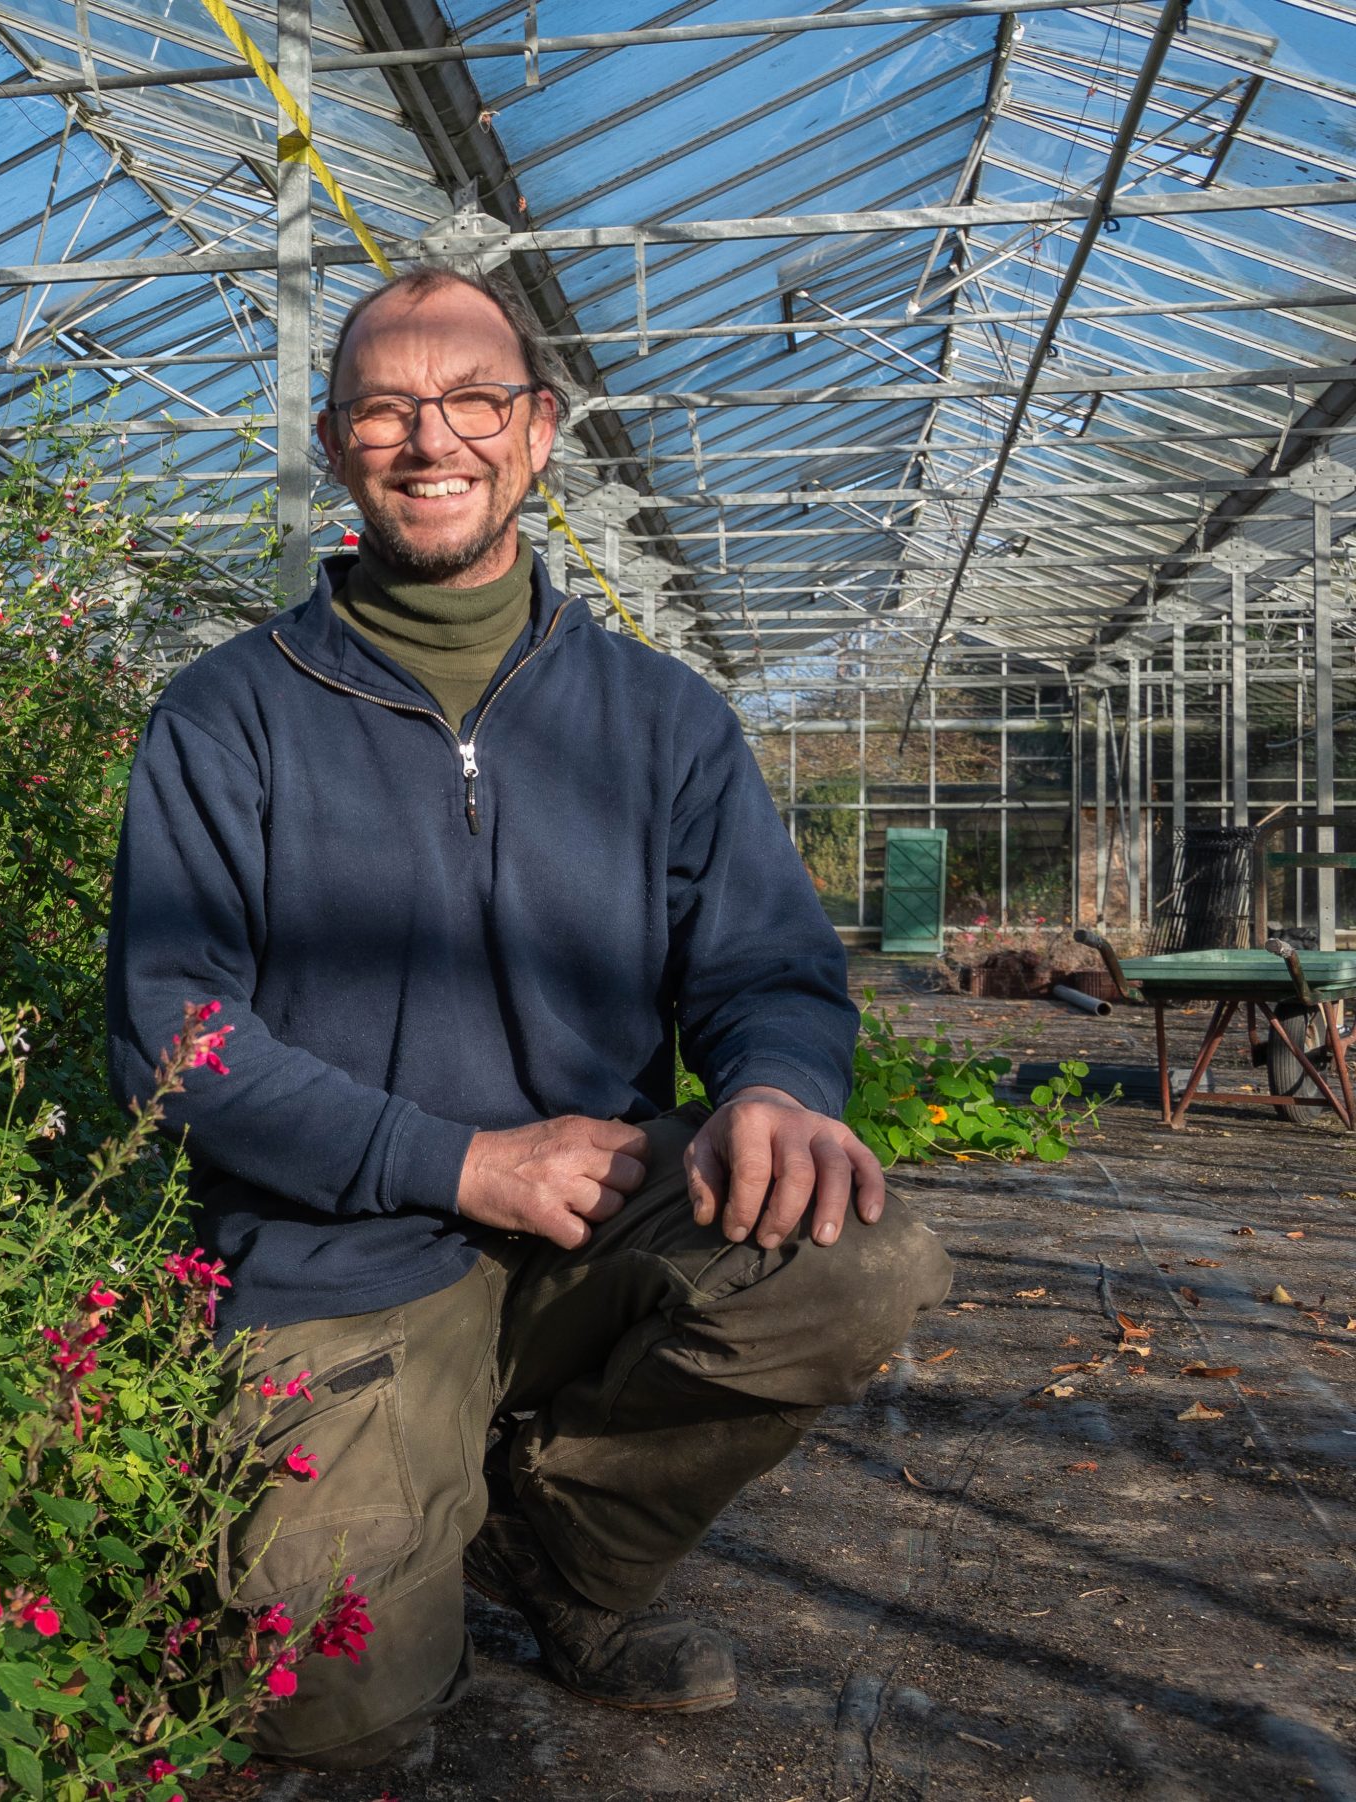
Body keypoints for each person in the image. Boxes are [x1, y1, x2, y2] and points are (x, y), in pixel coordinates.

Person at [104, 266, 953, 1771]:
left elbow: (764, 965)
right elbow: (179, 1038)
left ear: (538, 428)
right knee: (332, 1706)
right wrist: (458, 1162)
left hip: (599, 1225)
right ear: (333, 442)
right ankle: (425, 1501)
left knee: (854, 1253)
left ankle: (564, 1558)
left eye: (472, 400)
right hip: (344, 1259)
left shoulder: (661, 720)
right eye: (385, 406)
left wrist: (774, 1083)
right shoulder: (229, 714)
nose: (433, 439)